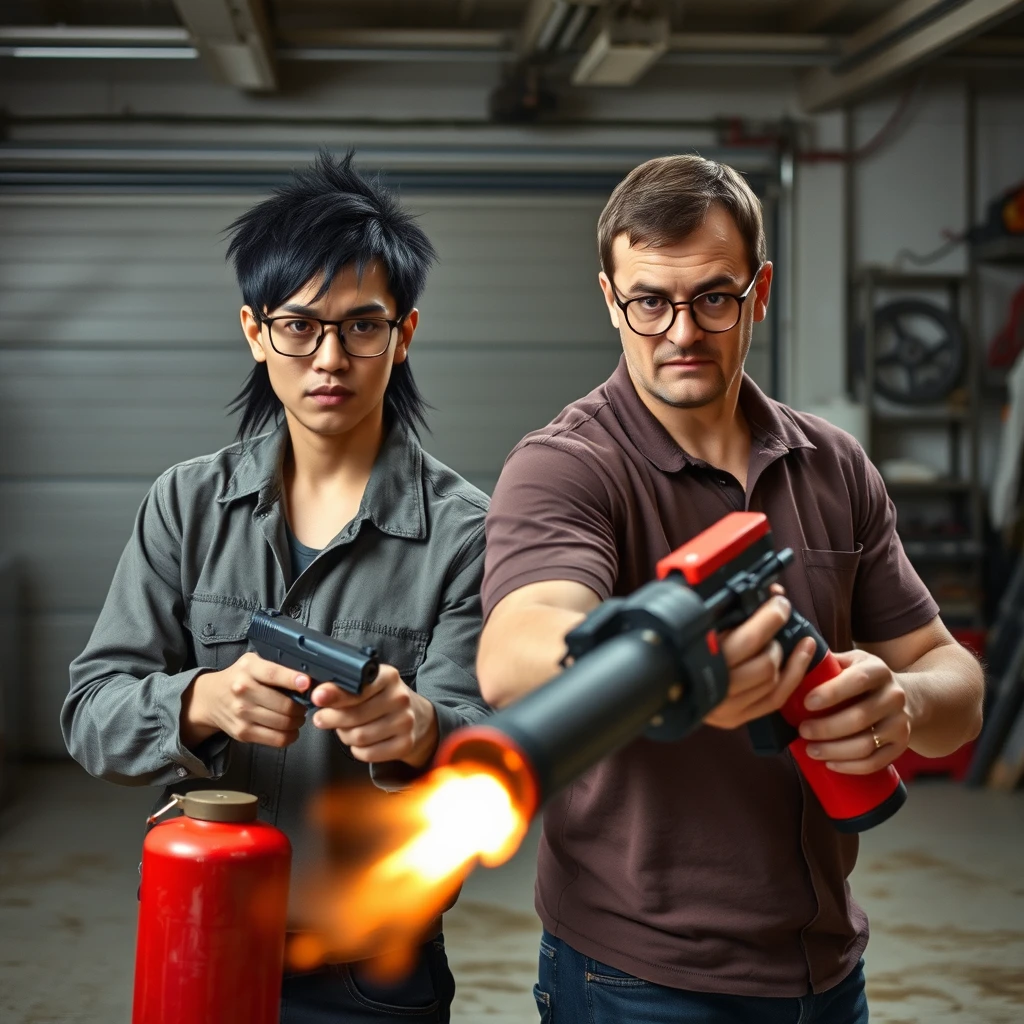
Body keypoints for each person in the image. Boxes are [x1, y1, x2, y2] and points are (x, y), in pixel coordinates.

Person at [476, 154, 984, 1023]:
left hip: (827, 967)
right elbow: (516, 654)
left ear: (761, 290)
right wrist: (673, 673)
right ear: (610, 298)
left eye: (714, 296)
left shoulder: (833, 464)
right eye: (650, 301)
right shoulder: (564, 467)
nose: (680, 332)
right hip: (637, 979)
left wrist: (901, 701)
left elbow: (954, 679)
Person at [63, 151, 490, 1023]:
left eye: (362, 327)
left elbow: (494, 752)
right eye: (300, 326)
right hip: (198, 931)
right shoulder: (185, 504)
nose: (329, 357)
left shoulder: (467, 533)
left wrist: (419, 730)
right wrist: (202, 701)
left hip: (378, 972)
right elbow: (91, 713)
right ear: (257, 334)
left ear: (404, 335)